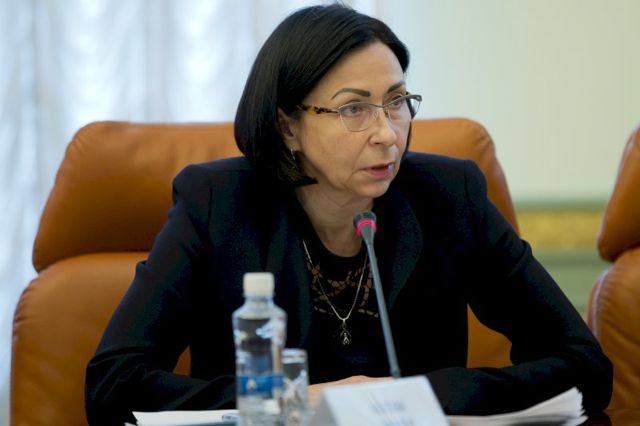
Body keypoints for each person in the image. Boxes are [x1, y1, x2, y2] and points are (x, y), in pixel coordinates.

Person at [85, 4, 612, 424]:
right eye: (353, 108)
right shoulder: (217, 204)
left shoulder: (450, 197)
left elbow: (583, 365)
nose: (387, 133)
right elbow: (113, 384)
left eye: (397, 101)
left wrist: (420, 393)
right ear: (288, 126)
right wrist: (298, 401)